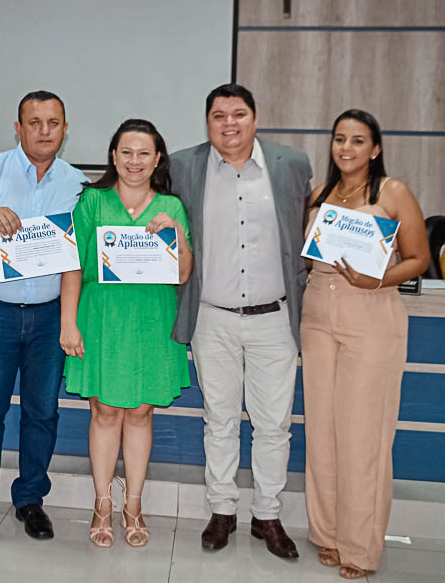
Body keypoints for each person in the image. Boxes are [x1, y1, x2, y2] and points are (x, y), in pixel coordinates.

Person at [169, 83, 311, 559]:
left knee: (274, 425)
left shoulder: (290, 165)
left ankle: (268, 515)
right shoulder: (184, 165)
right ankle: (223, 510)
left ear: (255, 117)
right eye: (218, 115)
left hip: (275, 317)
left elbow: (306, 232)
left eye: (238, 113)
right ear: (207, 121)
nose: (228, 123)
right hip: (212, 315)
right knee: (220, 421)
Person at [0, 91, 87, 543]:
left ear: (65, 129)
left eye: (54, 122)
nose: (45, 130)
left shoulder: (79, 185)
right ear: (18, 128)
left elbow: (79, 260)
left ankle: (30, 500)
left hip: (49, 317)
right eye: (35, 122)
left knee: (42, 412)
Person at [301, 109, 429, 579]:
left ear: (375, 148)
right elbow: (311, 260)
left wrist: (377, 279)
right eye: (339, 139)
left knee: (363, 437)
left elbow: (419, 258)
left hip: (371, 317)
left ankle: (360, 547)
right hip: (317, 317)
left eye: (358, 141)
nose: (346, 149)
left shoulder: (392, 193)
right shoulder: (319, 195)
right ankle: (328, 534)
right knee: (324, 432)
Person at [60, 119, 193, 548]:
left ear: (157, 160)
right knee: (104, 414)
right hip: (101, 320)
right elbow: (73, 266)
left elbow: (184, 272)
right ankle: (101, 504)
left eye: (143, 153)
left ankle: (133, 505)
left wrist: (174, 236)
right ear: (113, 156)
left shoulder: (171, 207)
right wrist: (68, 322)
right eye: (126, 152)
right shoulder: (92, 203)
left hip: (153, 322)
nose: (134, 161)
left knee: (140, 413)